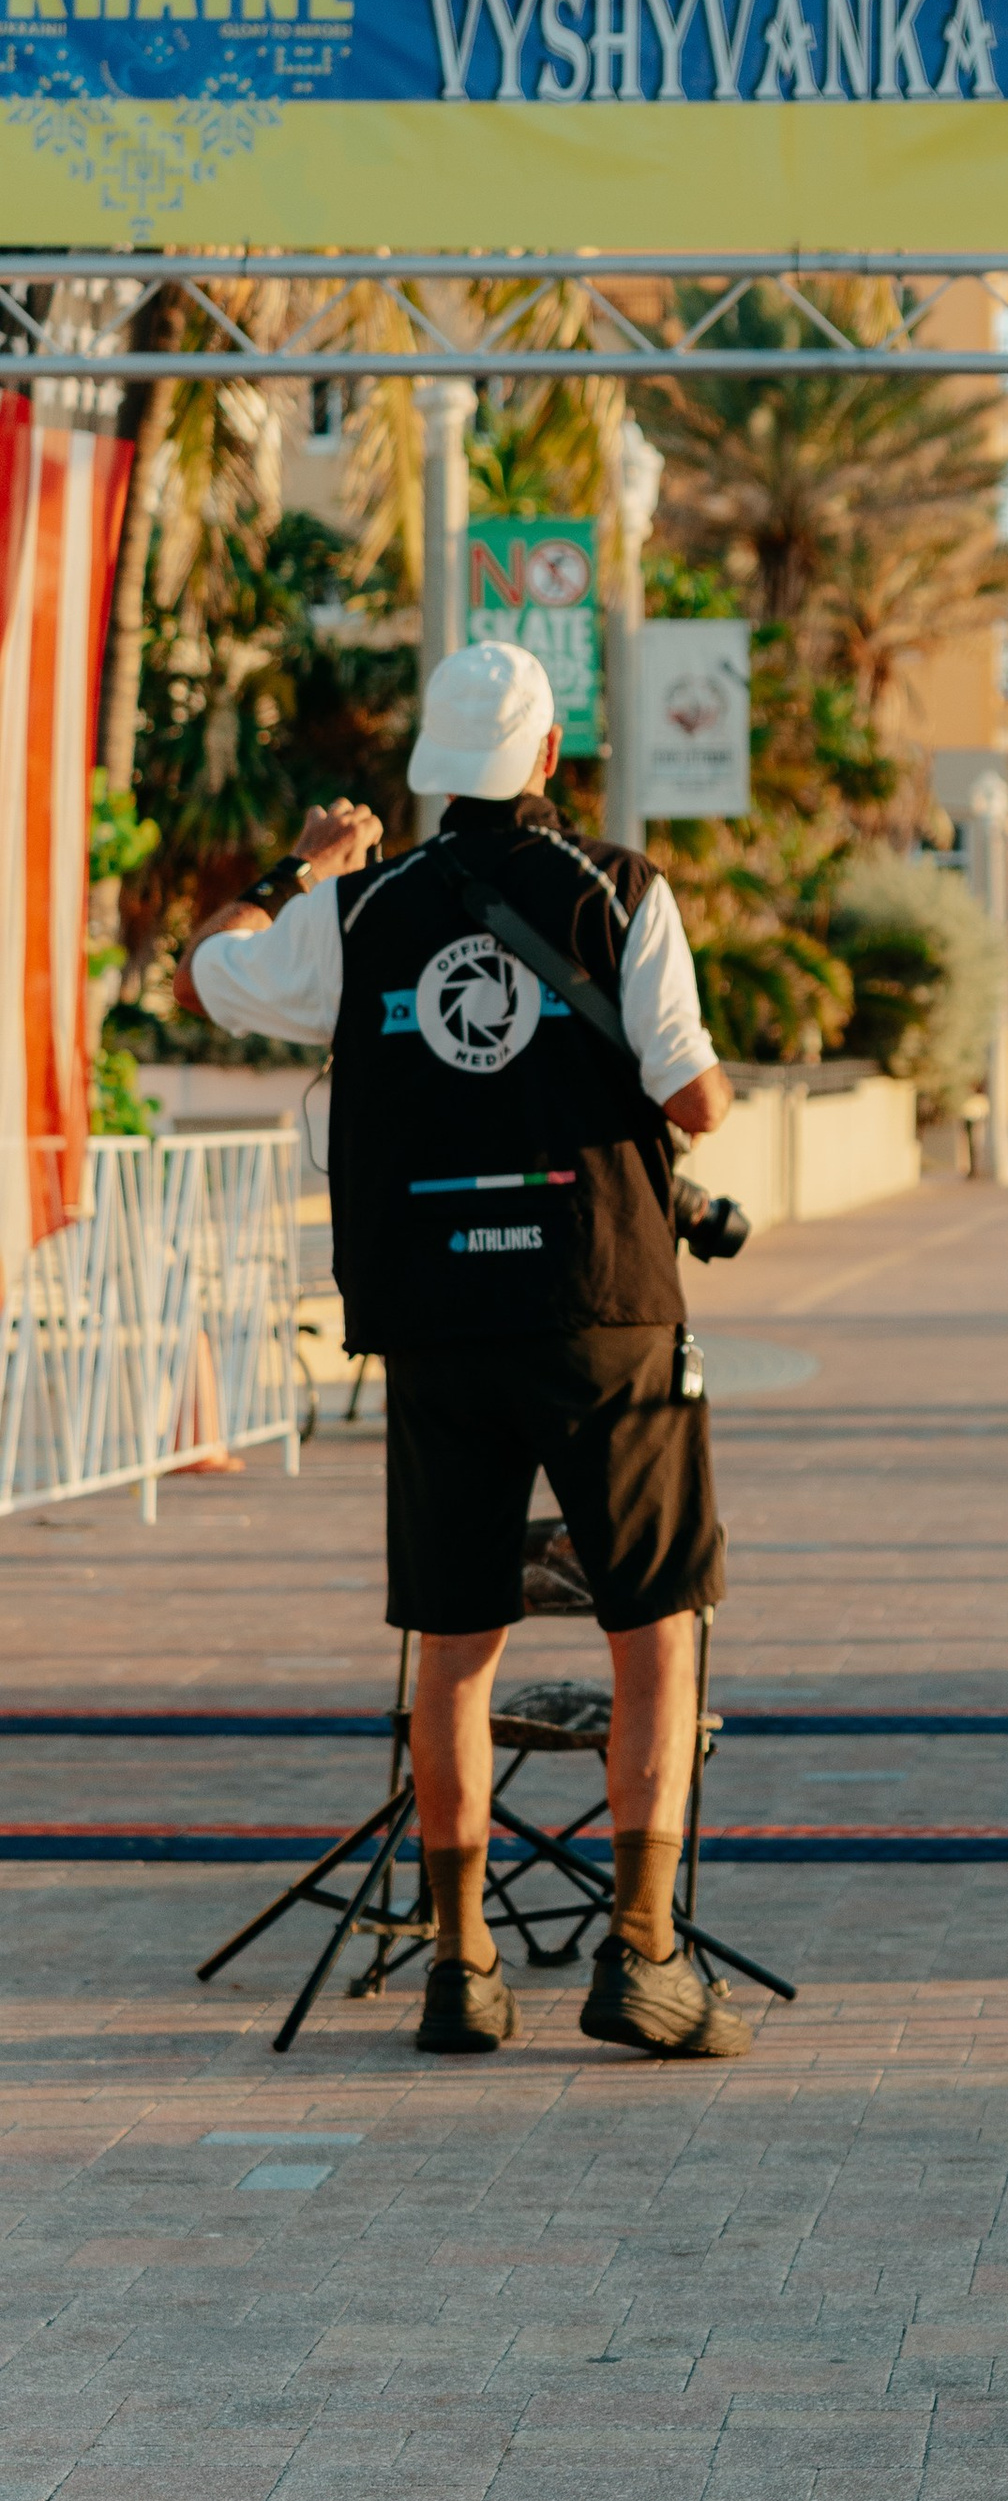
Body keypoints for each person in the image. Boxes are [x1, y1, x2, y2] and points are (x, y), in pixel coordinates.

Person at [178, 641, 744, 2062]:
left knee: (456, 1641)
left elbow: (209, 975)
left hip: (432, 1316)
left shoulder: (358, 908)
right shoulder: (622, 889)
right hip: (603, 1302)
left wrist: (299, 865)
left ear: (432, 773)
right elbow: (696, 1097)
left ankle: (462, 1963)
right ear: (551, 760)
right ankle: (645, 1953)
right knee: (653, 1627)